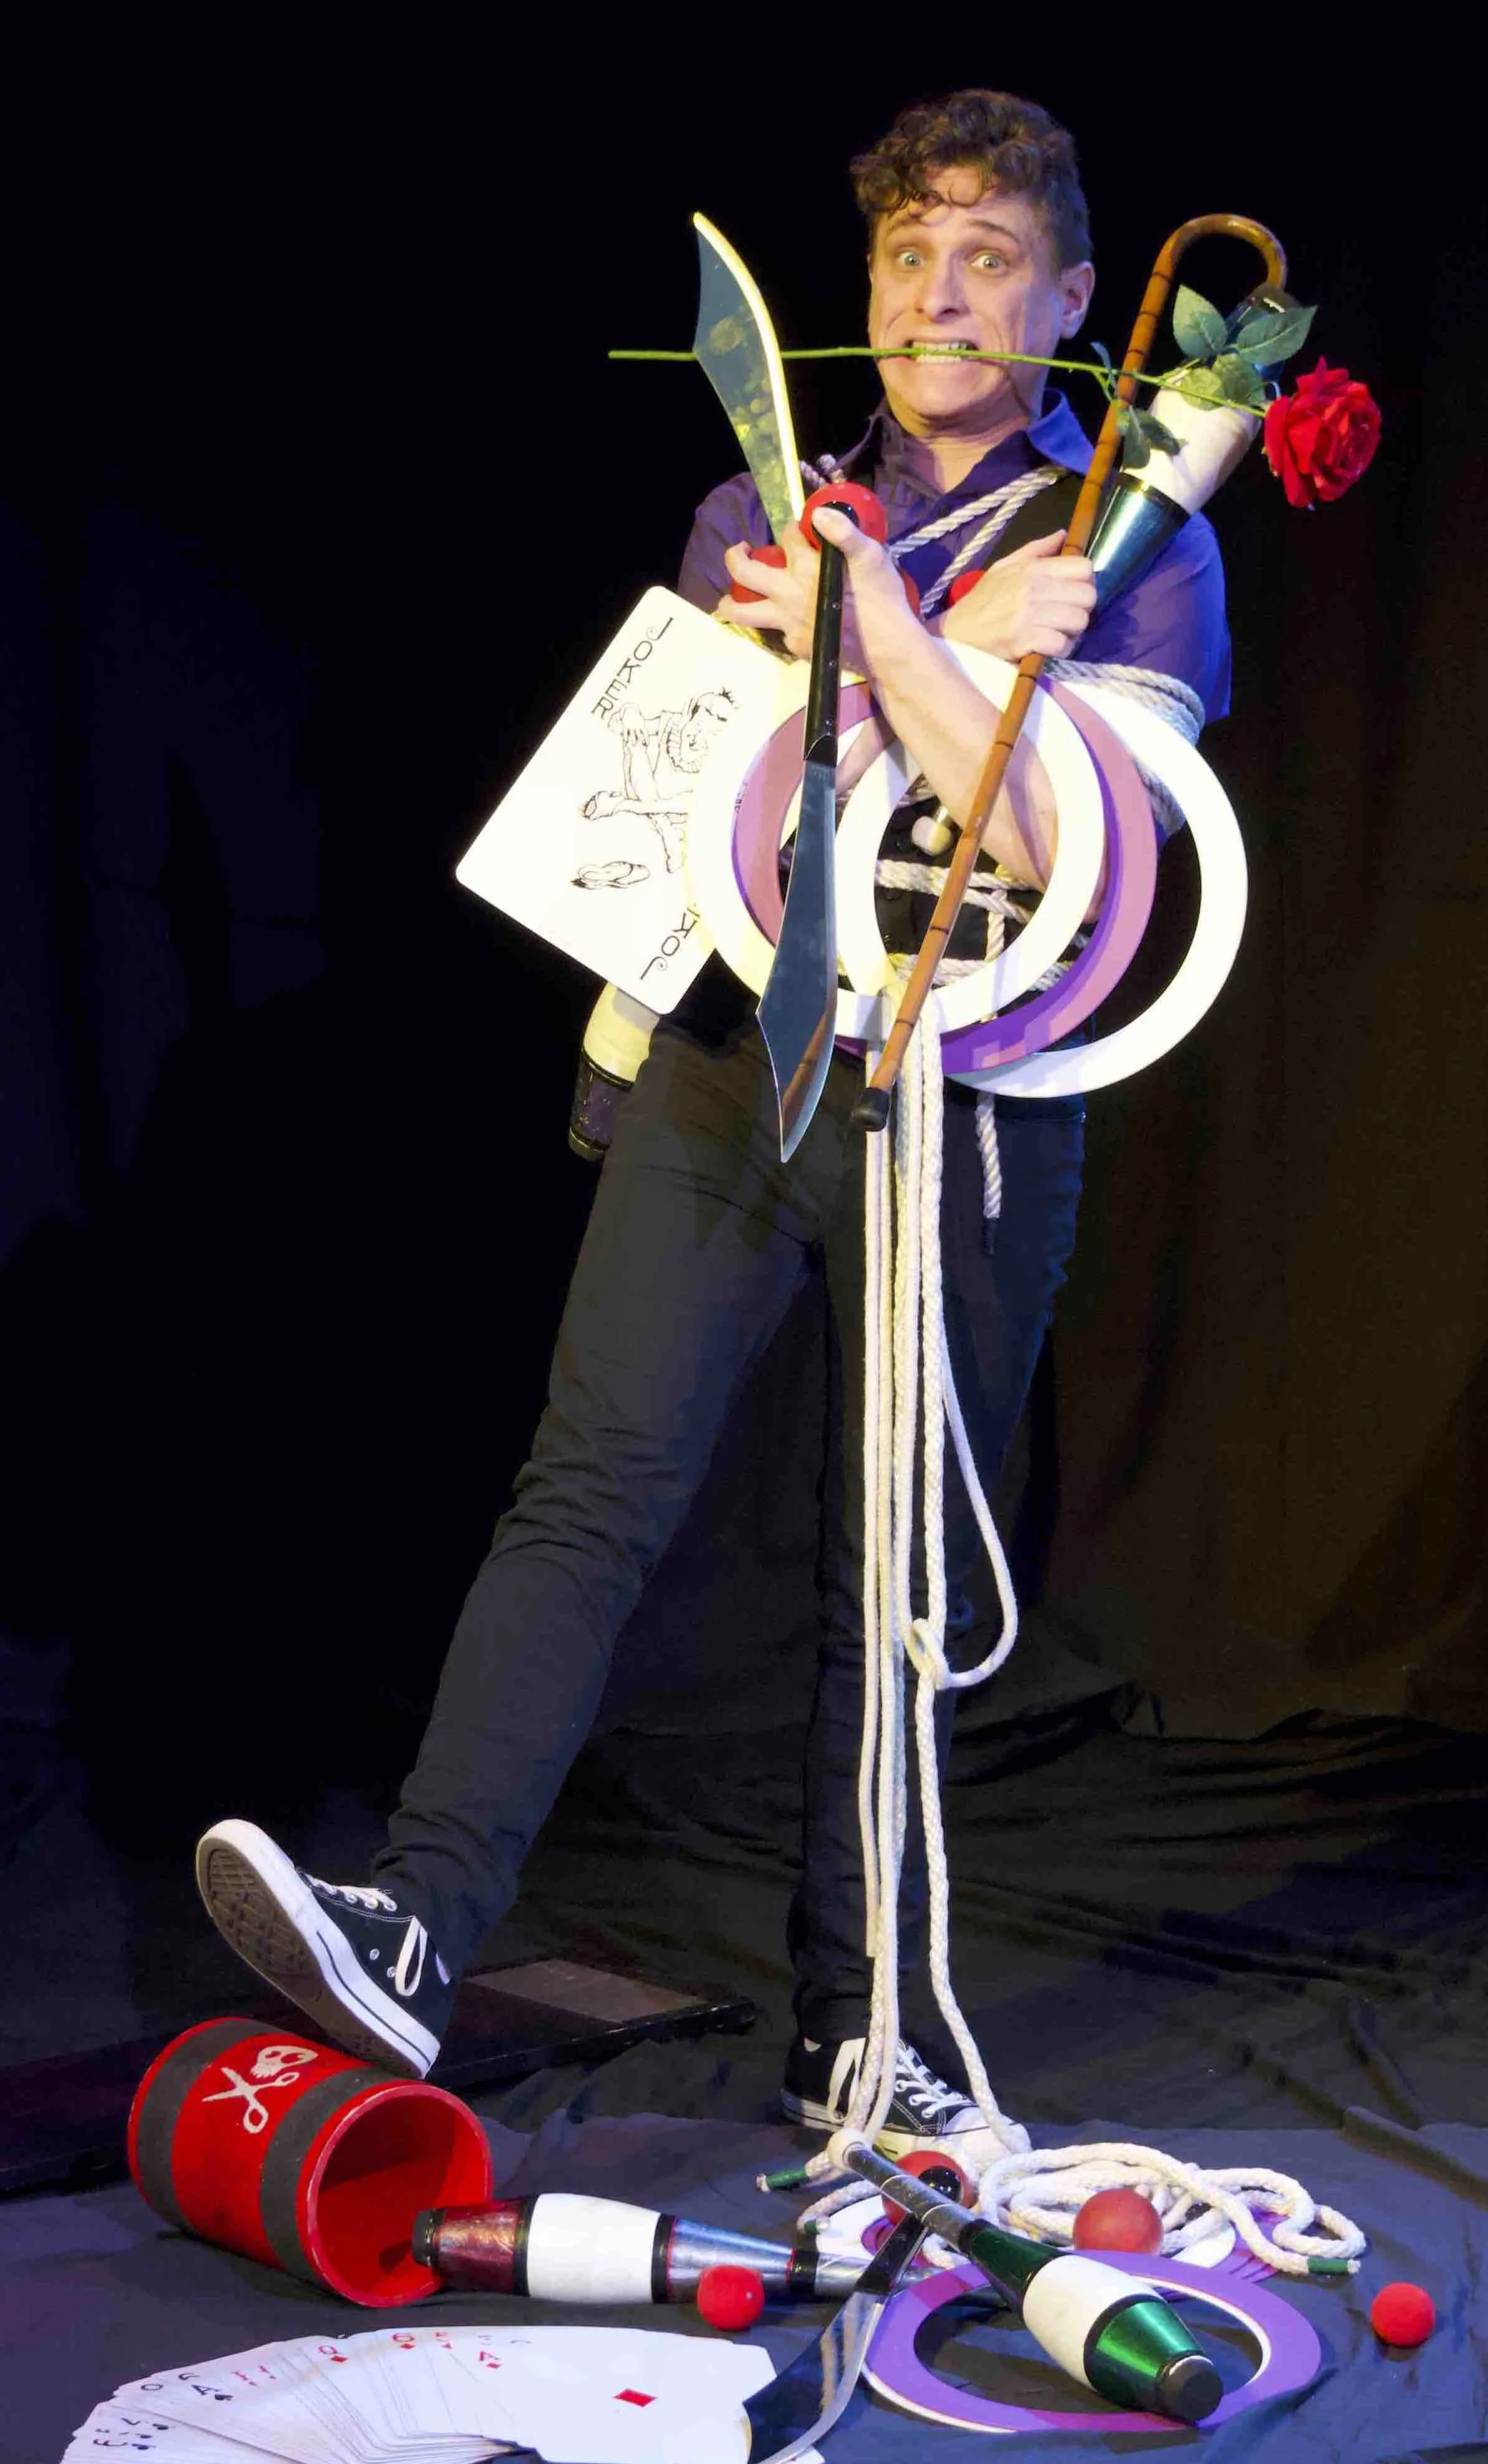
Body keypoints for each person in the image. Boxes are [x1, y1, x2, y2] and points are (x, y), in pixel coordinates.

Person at [196, 88, 1229, 2165]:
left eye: (989, 259)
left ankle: (864, 2027)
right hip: (725, 1062)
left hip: (968, 1108)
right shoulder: (758, 505)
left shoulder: (1137, 540)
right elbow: (717, 791)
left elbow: (1061, 840)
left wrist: (887, 639)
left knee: (895, 1575)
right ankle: (420, 1927)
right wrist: (922, 644)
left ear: (1070, 299)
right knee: (585, 1490)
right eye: (909, 256)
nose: (940, 297)